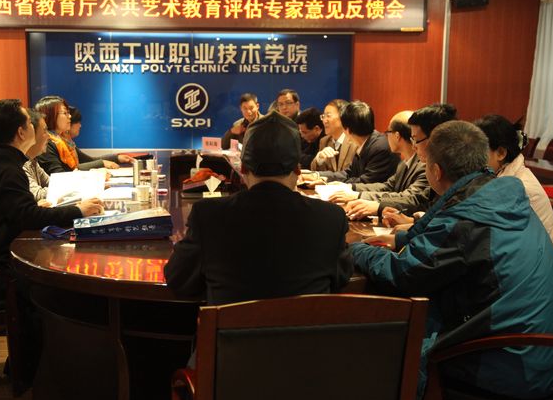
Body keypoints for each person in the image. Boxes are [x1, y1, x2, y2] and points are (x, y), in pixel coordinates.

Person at [353, 121, 553, 400]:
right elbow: (443, 233)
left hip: (516, 365)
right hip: (551, 355)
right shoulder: (499, 195)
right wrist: (400, 239)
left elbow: (404, 273)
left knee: (389, 350)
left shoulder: (468, 219)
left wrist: (357, 250)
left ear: (435, 171)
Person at [164, 112, 352, 305]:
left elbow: (178, 279)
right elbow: (342, 278)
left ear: (243, 168)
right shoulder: (331, 218)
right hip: (306, 325)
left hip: (232, 325)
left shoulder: (208, 216)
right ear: (297, 169)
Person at [0, 99, 103, 300]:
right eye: (30, 123)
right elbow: (30, 217)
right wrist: (79, 211)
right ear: (21, 133)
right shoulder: (6, 168)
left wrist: (34, 208)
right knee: (61, 284)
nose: (36, 126)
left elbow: (21, 212)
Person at [475, 114, 553, 264]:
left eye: (479, 151)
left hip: (537, 270)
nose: (473, 158)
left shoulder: (521, 188)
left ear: (501, 153)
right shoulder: (500, 175)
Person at [329, 110, 429, 220]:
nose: (385, 137)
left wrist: (361, 197)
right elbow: (388, 186)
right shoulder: (403, 163)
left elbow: (410, 198)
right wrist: (351, 187)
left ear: (397, 136)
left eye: (388, 132)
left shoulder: (424, 165)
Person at [381, 103, 457, 226]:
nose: (414, 146)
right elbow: (427, 204)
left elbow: (447, 224)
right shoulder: (440, 166)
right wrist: (413, 220)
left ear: (435, 139)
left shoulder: (450, 172)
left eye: (416, 140)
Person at [35, 96, 133, 174]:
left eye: (68, 113)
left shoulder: (63, 141)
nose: (69, 116)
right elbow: (60, 176)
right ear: (51, 115)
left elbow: (86, 161)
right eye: (65, 113)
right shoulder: (47, 143)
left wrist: (116, 158)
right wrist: (96, 172)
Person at [315, 100, 399, 184]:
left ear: (347, 129)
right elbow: (349, 173)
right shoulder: (365, 143)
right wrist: (318, 175)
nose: (324, 120)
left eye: (328, 116)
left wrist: (332, 183)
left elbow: (366, 182)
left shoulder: (379, 147)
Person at [310, 99, 357, 173]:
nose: (324, 121)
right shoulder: (324, 141)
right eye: (323, 116)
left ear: (343, 117)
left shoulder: (355, 141)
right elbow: (315, 172)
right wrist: (319, 159)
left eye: (328, 116)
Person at [23, 108, 51, 205]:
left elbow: (52, 183)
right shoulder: (20, 163)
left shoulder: (32, 160)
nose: (49, 136)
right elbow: (38, 195)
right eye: (44, 131)